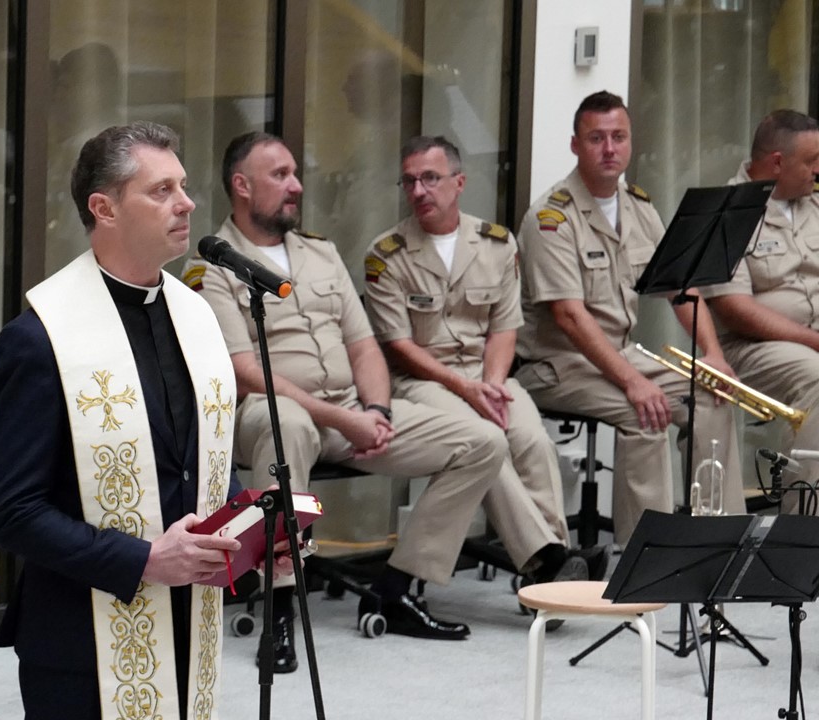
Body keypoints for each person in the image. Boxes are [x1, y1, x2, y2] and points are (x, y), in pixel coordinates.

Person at [182, 132, 586, 665]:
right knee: (290, 425)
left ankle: (396, 590)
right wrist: (344, 419)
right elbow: (245, 373)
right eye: (280, 175)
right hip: (268, 412)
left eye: (294, 173)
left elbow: (364, 346)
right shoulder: (212, 266)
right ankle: (279, 610)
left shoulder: (321, 253)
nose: (296, 185)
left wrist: (375, 410)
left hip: (349, 408)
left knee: (483, 442)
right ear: (242, 185)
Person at [0, 122, 265, 720]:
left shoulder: (194, 316)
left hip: (189, 622)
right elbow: (11, 512)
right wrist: (144, 561)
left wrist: (254, 538)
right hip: (80, 642)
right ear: (104, 208)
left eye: (183, 186)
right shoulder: (41, 337)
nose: (186, 203)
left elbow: (201, 465)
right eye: (162, 190)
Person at [514, 91, 745, 546]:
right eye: (596, 138)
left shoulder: (638, 207)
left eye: (618, 137)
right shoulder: (551, 217)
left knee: (712, 397)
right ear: (575, 145)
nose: (609, 148)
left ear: (631, 142)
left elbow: (680, 286)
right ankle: (645, 554)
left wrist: (713, 354)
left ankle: (717, 540)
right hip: (554, 366)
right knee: (647, 413)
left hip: (618, 356)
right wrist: (634, 382)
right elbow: (569, 317)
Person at [363, 135, 597, 576]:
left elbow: (504, 328)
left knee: (532, 441)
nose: (419, 191)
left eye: (430, 179)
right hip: (423, 380)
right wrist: (466, 389)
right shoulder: (386, 254)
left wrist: (490, 384)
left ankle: (554, 568)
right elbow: (399, 346)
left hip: (488, 373)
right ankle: (548, 564)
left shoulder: (497, 244)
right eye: (409, 182)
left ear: (459, 182)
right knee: (487, 441)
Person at [702, 110, 819, 512]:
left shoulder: (813, 203)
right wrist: (813, 340)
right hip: (751, 347)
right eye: (811, 161)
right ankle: (804, 524)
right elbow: (734, 309)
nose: (817, 170)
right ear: (777, 163)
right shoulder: (728, 211)